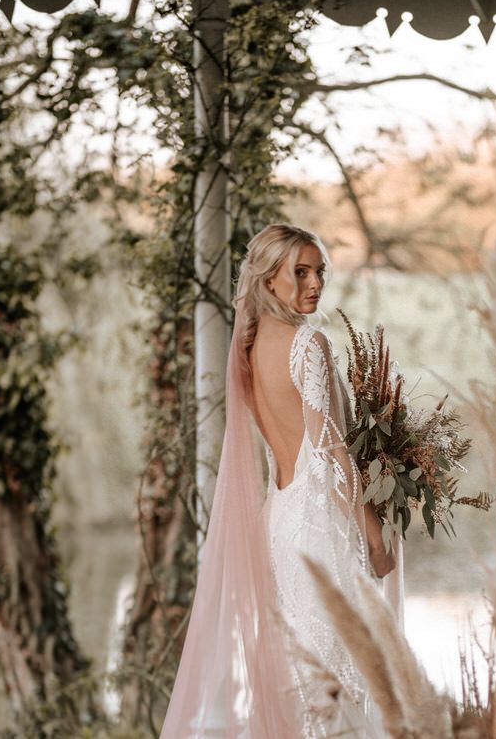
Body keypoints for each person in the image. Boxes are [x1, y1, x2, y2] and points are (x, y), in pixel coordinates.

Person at [159, 223, 404, 739]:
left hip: (282, 524)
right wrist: (374, 533)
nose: (315, 283)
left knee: (304, 681)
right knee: (340, 678)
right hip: (320, 528)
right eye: (300, 272)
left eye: (319, 271)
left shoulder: (248, 349)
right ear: (270, 279)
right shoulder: (307, 342)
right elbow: (332, 454)